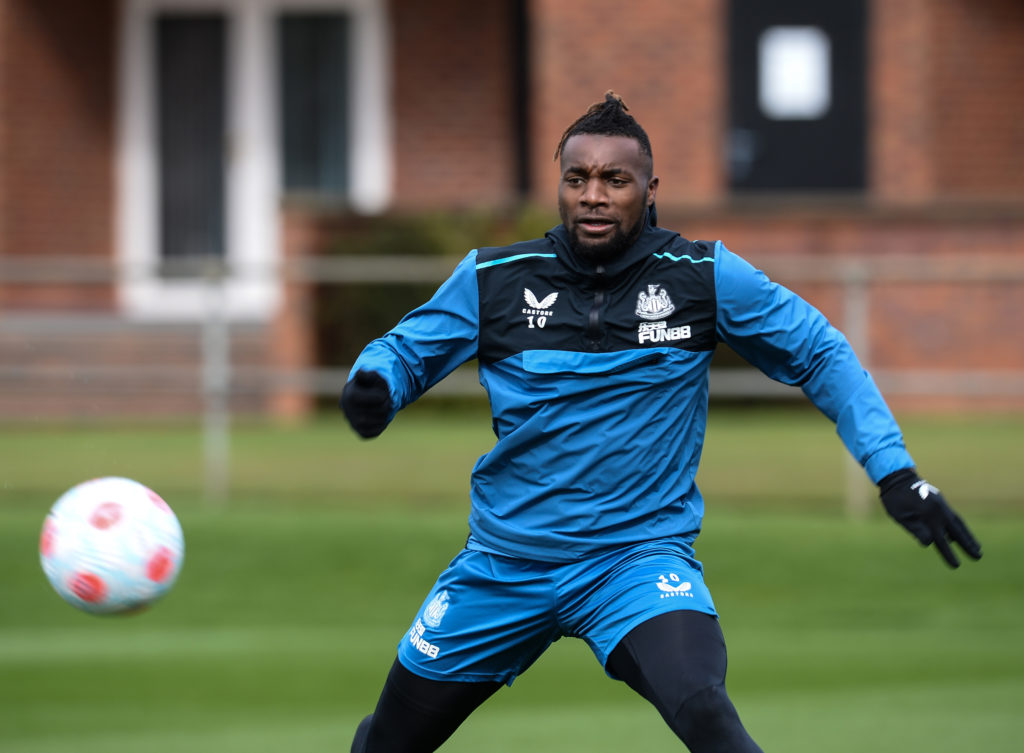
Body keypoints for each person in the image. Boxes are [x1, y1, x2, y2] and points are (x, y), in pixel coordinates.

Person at [340, 92, 982, 752]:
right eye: (577, 177)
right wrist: (374, 384)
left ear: (649, 188)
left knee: (706, 712)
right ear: (559, 184)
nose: (593, 194)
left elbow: (819, 351)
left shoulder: (703, 277)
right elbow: (402, 351)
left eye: (614, 179)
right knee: (389, 740)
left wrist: (894, 471)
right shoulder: (494, 279)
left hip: (636, 563)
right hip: (505, 565)